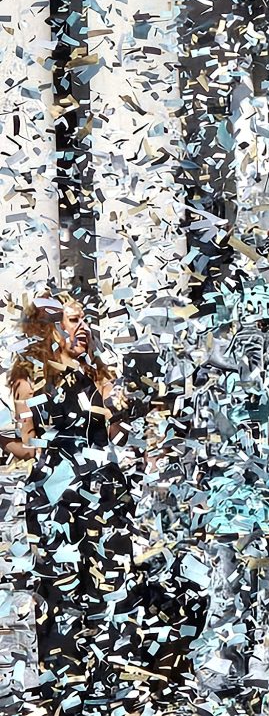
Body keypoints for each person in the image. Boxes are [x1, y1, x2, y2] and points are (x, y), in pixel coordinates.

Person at [4, 297, 141, 714]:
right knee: (60, 596)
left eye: (86, 319)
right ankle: (64, 693)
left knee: (111, 590)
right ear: (51, 327)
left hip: (105, 496)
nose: (84, 327)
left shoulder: (96, 371)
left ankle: (107, 688)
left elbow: (108, 430)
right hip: (56, 499)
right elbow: (26, 443)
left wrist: (126, 409)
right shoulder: (31, 376)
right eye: (75, 319)